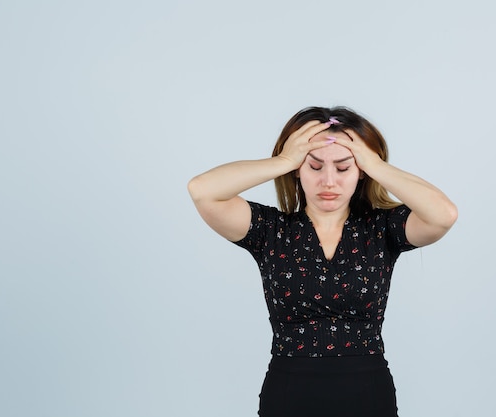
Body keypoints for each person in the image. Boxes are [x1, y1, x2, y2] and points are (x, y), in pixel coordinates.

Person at [187, 106, 458, 416]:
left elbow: (443, 215)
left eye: (344, 168)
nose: (328, 181)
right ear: (298, 170)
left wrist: (373, 163)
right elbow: (202, 190)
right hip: (288, 393)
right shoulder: (270, 230)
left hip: (368, 393)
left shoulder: (382, 229)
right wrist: (283, 160)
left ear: (361, 173)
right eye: (314, 167)